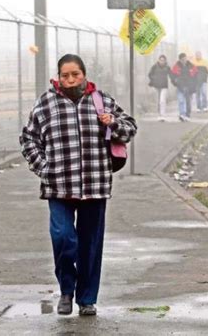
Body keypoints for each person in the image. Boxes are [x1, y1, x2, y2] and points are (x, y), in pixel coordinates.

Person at [19, 54, 137, 316]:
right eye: (65, 75)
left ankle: (86, 299)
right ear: (58, 77)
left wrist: (113, 123)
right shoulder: (46, 103)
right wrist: (43, 167)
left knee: (90, 245)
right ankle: (66, 290)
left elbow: (130, 128)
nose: (70, 79)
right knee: (62, 238)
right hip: (58, 186)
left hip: (95, 185)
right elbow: (28, 139)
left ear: (84, 74)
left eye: (76, 74)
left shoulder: (102, 101)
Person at [171, 53, 198, 121]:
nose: (184, 60)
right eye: (183, 59)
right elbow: (172, 76)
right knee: (181, 100)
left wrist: (194, 85)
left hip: (189, 87)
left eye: (185, 59)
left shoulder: (191, 66)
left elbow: (196, 75)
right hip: (180, 86)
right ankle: (182, 114)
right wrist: (175, 82)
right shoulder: (176, 66)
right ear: (180, 60)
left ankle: (187, 115)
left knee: (188, 102)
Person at [148, 54, 172, 121]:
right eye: (161, 60)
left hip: (164, 86)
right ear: (158, 60)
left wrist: (175, 81)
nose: (162, 61)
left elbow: (172, 75)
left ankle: (162, 115)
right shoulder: (154, 67)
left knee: (162, 100)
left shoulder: (167, 67)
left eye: (163, 60)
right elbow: (150, 74)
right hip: (157, 86)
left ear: (165, 61)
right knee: (158, 100)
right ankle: (159, 114)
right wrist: (154, 79)